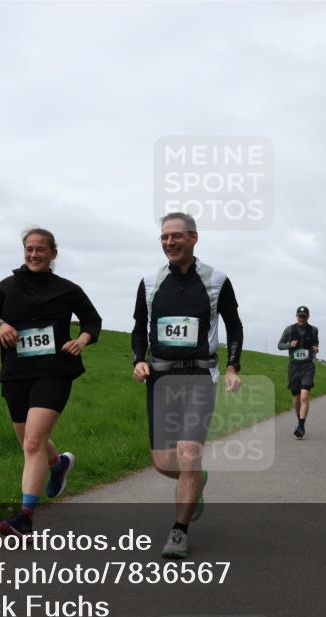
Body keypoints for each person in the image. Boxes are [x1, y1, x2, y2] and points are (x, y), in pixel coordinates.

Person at [0, 228, 102, 538]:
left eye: (40, 250)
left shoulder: (67, 290)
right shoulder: (7, 287)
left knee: (32, 442)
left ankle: (24, 519)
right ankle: (57, 465)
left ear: (52, 254)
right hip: (16, 372)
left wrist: (82, 340)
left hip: (54, 370)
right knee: (29, 441)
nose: (34, 255)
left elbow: (92, 320)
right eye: (29, 249)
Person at [132, 212, 243, 559]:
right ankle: (196, 479)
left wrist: (233, 367)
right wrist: (138, 358)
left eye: (176, 236)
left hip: (198, 376)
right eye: (164, 237)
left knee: (188, 453)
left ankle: (179, 530)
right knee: (165, 462)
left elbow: (234, 326)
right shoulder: (150, 282)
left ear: (194, 238)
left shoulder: (216, 280)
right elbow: (139, 328)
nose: (169, 243)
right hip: (161, 378)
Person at [277, 307, 319, 439]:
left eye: (304, 316)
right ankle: (299, 419)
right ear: (296, 316)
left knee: (304, 396)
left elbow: (316, 343)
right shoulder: (289, 329)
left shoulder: (313, 330)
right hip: (294, 367)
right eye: (300, 316)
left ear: (308, 317)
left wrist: (316, 349)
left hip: (307, 366)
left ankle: (301, 426)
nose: (302, 318)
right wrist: (289, 344)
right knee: (296, 398)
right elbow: (279, 345)